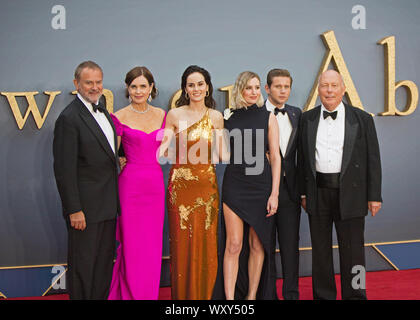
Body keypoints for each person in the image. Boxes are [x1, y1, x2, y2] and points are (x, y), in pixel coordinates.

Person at [298, 69, 382, 300]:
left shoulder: (362, 119)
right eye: (324, 85)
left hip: (352, 193)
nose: (329, 90)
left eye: (334, 85)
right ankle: (323, 296)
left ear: (343, 89)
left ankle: (357, 295)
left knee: (355, 252)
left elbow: (373, 159)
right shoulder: (307, 119)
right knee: (321, 251)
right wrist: (303, 193)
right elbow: (302, 161)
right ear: (318, 90)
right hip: (317, 193)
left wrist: (374, 196)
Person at [53, 61, 119, 300]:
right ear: (76, 84)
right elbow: (64, 169)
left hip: (107, 207)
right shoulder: (69, 118)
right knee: (83, 269)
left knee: (102, 267)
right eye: (88, 82)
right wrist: (74, 210)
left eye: (98, 82)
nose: (94, 87)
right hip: (85, 212)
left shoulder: (103, 111)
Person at [160, 65, 226, 300]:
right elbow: (162, 151)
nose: (196, 88)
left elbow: (223, 155)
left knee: (207, 243)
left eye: (200, 84)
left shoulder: (217, 117)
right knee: (181, 245)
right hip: (180, 187)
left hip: (207, 187)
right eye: (191, 85)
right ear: (185, 89)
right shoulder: (175, 115)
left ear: (207, 87)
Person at [218, 71, 281, 300]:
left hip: (261, 186)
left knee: (257, 245)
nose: (253, 92)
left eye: (257, 87)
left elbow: (275, 157)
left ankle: (252, 296)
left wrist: (274, 193)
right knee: (233, 244)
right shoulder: (227, 116)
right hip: (235, 185)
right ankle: (229, 299)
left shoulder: (268, 117)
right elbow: (222, 153)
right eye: (248, 88)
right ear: (240, 90)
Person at [107, 66, 166, 300]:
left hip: (155, 184)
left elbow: (176, 149)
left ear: (151, 88)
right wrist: (118, 161)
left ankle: (147, 294)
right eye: (134, 86)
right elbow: (112, 153)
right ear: (127, 89)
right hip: (130, 186)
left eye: (143, 86)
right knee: (132, 245)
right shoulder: (119, 116)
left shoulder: (163, 115)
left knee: (151, 246)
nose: (138, 91)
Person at [264, 69, 301, 300]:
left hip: (291, 191)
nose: (283, 91)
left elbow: (303, 156)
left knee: (290, 246)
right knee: (264, 247)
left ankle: (291, 295)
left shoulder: (297, 114)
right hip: (262, 189)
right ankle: (268, 296)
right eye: (278, 86)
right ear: (267, 88)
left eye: (286, 86)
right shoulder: (256, 114)